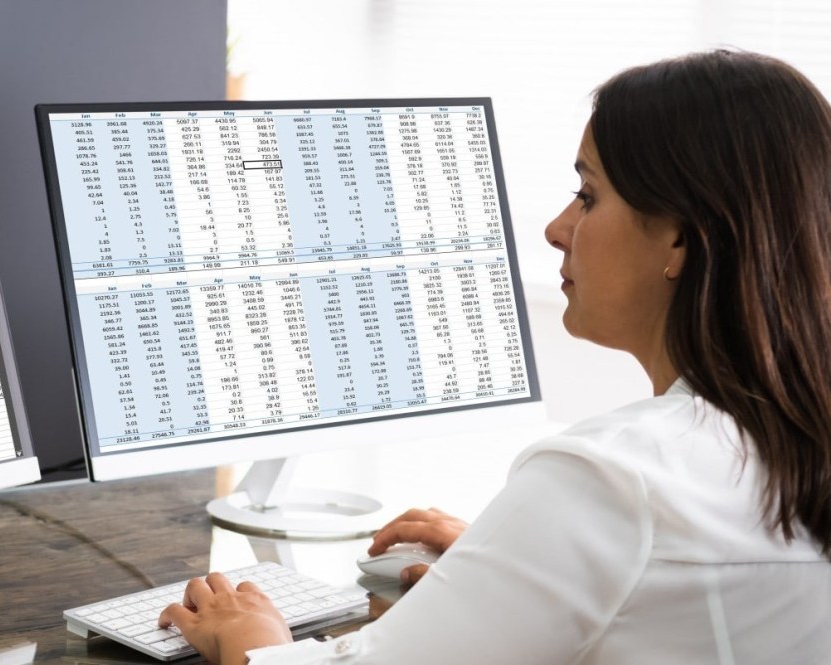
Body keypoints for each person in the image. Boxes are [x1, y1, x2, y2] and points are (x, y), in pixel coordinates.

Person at [159, 49, 831, 664]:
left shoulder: (614, 478)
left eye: (589, 195)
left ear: (683, 240)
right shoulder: (786, 443)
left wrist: (249, 639)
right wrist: (523, 558)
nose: (556, 228)